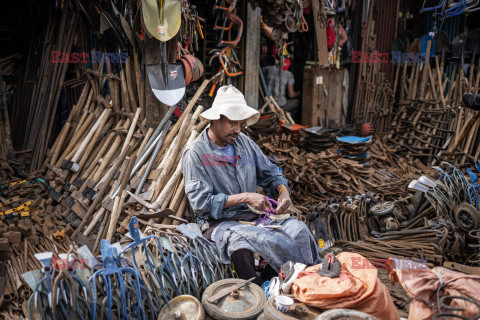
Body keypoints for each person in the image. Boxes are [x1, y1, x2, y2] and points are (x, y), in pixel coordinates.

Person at [182, 85, 320, 285]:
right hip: (217, 223)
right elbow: (201, 203)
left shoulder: (244, 143)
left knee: (297, 230)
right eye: (232, 123)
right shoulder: (195, 153)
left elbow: (272, 173)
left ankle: (280, 280)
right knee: (240, 244)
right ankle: (254, 293)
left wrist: (283, 194)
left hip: (250, 218)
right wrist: (246, 197)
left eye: (240, 124)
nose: (237, 129)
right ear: (215, 119)